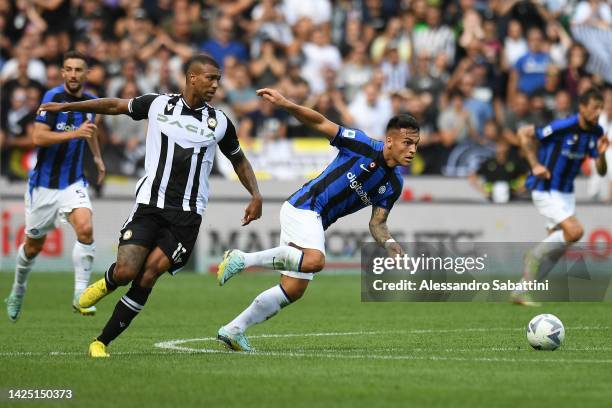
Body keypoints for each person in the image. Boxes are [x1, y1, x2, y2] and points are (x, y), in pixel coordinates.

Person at [38, 54, 262, 357]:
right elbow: (114, 105)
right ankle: (107, 282)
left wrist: (256, 195)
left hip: (187, 214)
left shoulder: (219, 122)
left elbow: (239, 159)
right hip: (149, 205)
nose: (215, 84)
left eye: (218, 79)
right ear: (192, 77)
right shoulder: (158, 104)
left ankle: (100, 342)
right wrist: (68, 107)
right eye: (210, 77)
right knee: (127, 270)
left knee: (148, 275)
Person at [215, 87, 419, 351]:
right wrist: (287, 103)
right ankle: (242, 259)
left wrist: (390, 243)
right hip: (305, 206)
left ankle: (233, 329)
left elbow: (377, 223)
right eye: (407, 143)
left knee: (293, 288)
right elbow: (320, 122)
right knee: (315, 260)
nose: (412, 149)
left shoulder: (394, 184)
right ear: (390, 141)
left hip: (315, 220)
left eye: (416, 144)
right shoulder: (361, 145)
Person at [5, 51, 106, 322]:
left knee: (85, 228)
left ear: (86, 74)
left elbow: (90, 130)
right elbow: (38, 136)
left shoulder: (91, 102)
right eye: (69, 69)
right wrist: (75, 134)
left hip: (73, 181)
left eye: (78, 70)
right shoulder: (52, 98)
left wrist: (96, 158)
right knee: (33, 246)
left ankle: (80, 295)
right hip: (44, 186)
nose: (73, 74)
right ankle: (18, 288)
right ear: (63, 73)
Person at [511, 88, 608, 306]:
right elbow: (524, 133)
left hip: (566, 193)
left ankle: (521, 291)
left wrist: (601, 154)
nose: (598, 112)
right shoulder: (563, 126)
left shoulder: (596, 132)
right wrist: (535, 165)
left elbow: (601, 171)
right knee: (575, 231)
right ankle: (532, 255)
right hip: (545, 188)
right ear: (582, 107)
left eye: (600, 108)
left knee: (555, 252)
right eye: (594, 108)